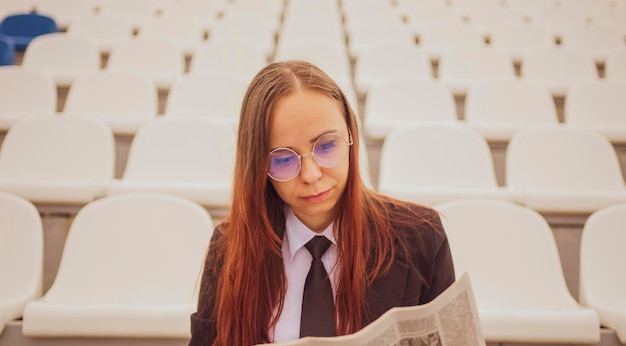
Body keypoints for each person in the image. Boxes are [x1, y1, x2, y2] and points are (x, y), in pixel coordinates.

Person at [189, 60, 455, 346]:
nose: (311, 175)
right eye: (283, 159)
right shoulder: (228, 247)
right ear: (257, 167)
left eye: (327, 146)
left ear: (351, 137)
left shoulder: (422, 237)